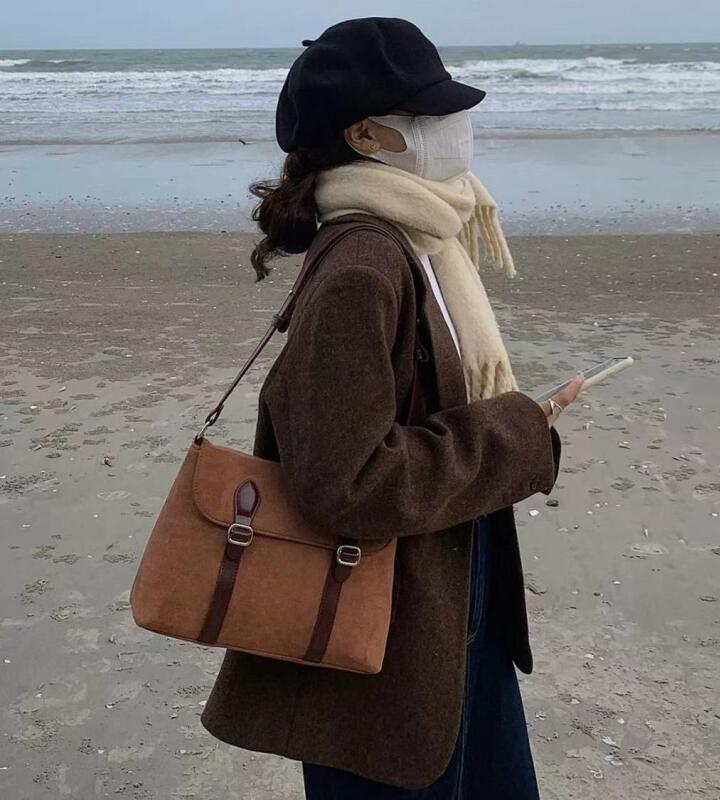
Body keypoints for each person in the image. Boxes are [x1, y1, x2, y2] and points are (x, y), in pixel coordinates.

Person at [201, 17, 583, 799]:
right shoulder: (364, 266)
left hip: (449, 605)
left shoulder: (422, 238)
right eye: (432, 112)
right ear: (366, 135)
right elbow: (346, 481)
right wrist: (516, 434)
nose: (457, 125)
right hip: (382, 644)